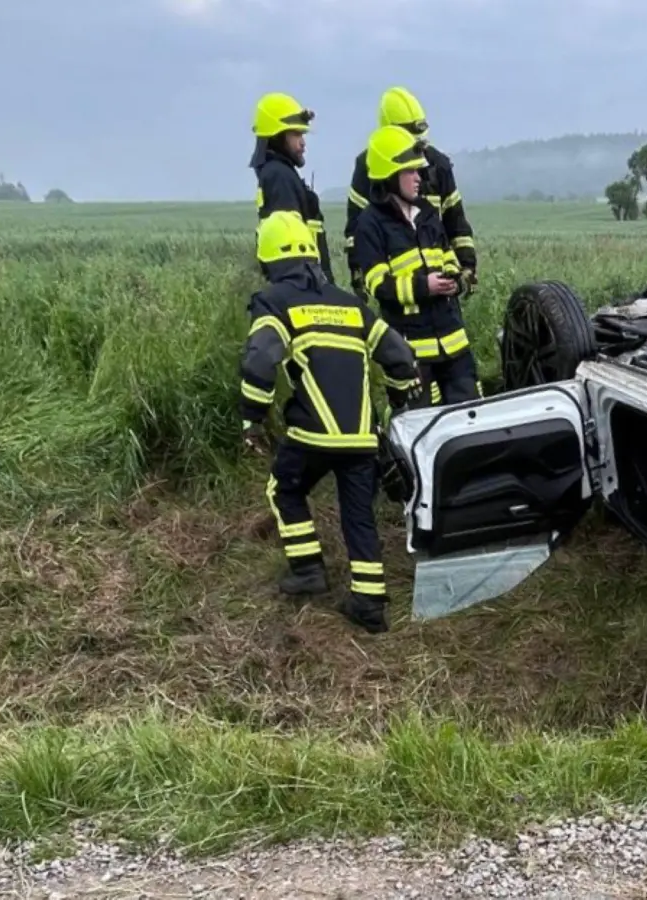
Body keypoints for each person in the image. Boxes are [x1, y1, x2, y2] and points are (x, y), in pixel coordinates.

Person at [240, 210, 419, 634]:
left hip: (312, 434)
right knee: (358, 514)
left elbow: (261, 360)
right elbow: (399, 356)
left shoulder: (275, 302)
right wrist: (399, 396)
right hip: (361, 437)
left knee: (284, 487)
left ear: (267, 260)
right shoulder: (349, 303)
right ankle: (369, 602)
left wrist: (252, 420)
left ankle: (307, 570)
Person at [349, 125, 480, 406]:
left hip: (454, 342)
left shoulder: (428, 213)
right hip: (412, 352)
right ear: (389, 175)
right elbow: (378, 284)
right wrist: (425, 286)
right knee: (418, 425)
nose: (419, 178)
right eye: (411, 171)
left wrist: (455, 277)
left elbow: (446, 253)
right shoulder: (369, 224)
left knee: (472, 414)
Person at [343, 87, 476, 300]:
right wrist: (359, 271)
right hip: (394, 285)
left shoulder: (439, 164)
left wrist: (466, 268)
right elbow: (356, 227)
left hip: (438, 279)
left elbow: (455, 220)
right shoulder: (367, 166)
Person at [250, 92, 336, 285]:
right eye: (296, 134)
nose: (303, 143)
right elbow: (289, 249)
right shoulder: (279, 176)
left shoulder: (280, 173)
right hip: (306, 282)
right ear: (277, 137)